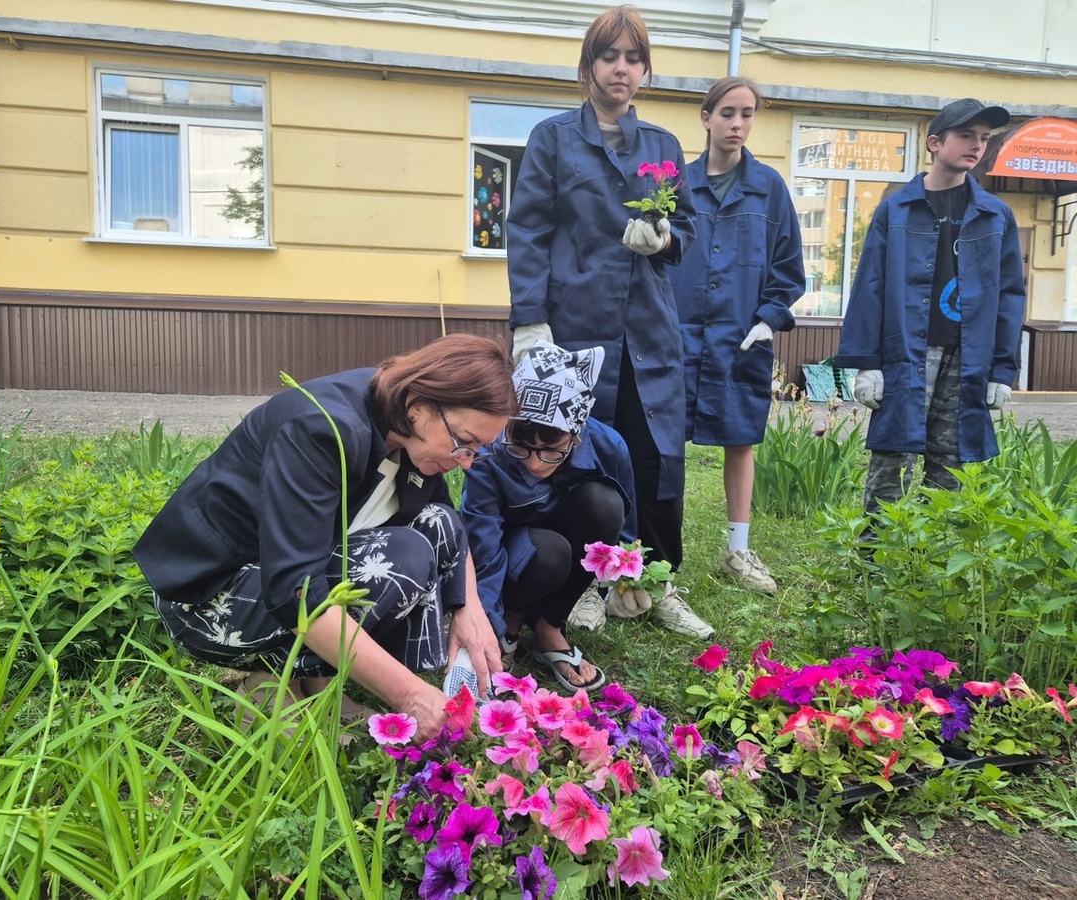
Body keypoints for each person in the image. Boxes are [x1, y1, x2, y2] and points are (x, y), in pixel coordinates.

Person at [132, 334, 517, 739]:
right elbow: (294, 590)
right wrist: (412, 696)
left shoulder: (402, 424)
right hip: (209, 596)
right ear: (419, 406)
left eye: (479, 450)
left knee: (434, 524)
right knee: (400, 558)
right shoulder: (323, 428)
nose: (467, 463)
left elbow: (445, 521)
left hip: (274, 573)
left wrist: (468, 608)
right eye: (464, 444)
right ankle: (267, 693)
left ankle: (315, 685)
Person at [506, 4, 712, 639]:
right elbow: (529, 231)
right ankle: (591, 583)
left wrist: (665, 238)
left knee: (653, 456)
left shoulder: (663, 146)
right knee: (580, 455)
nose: (620, 69)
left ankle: (651, 581)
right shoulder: (554, 138)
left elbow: (690, 230)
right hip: (575, 326)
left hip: (648, 327)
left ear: (645, 72)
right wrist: (529, 323)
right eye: (609, 56)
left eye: (632, 58)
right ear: (588, 65)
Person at [835, 98, 1026, 535]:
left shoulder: (996, 215)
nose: (976, 146)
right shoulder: (897, 209)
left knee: (952, 467)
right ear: (935, 142)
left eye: (983, 139)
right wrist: (867, 363)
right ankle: (876, 562)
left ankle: (931, 562)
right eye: (966, 136)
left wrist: (1001, 369)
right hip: (908, 351)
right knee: (892, 459)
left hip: (969, 358)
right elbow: (871, 286)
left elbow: (1011, 295)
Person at [670, 76, 804, 595]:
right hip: (677, 336)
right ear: (706, 117)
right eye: (727, 112)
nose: (737, 124)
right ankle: (656, 553)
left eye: (747, 114)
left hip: (741, 336)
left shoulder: (768, 187)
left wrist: (769, 317)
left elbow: (789, 266)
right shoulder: (676, 185)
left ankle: (737, 549)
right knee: (666, 446)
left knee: (741, 439)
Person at [460, 341, 647, 693]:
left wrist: (627, 580)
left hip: (568, 559)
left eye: (551, 451)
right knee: (550, 551)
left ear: (576, 435)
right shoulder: (487, 454)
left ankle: (549, 627)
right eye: (521, 447)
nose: (533, 463)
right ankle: (511, 625)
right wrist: (488, 626)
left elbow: (621, 534)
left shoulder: (610, 447)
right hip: (516, 559)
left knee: (605, 504)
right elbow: (481, 547)